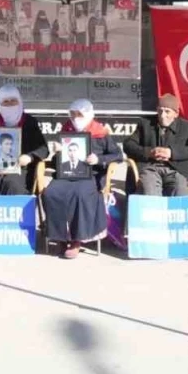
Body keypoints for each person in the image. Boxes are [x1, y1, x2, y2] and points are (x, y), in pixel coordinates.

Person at [41, 99, 124, 258]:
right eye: (72, 114)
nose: (75, 118)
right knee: (51, 192)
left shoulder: (100, 132)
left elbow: (117, 155)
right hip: (67, 173)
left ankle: (76, 239)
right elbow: (58, 161)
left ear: (88, 114)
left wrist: (98, 159)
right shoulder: (66, 129)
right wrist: (58, 152)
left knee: (79, 194)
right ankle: (60, 236)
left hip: (90, 175)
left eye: (79, 115)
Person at [0, 85, 47, 195]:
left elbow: (43, 148)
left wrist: (29, 157)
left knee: (13, 186)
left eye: (13, 101)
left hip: (18, 173)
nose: (10, 104)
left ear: (19, 101)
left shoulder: (29, 123)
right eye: (5, 102)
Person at [123, 94, 188, 196]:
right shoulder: (145, 124)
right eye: (160, 111)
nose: (162, 115)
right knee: (150, 191)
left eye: (167, 111)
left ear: (176, 113)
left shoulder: (187, 127)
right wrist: (149, 152)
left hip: (176, 169)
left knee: (180, 190)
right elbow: (128, 144)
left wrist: (172, 153)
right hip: (149, 168)